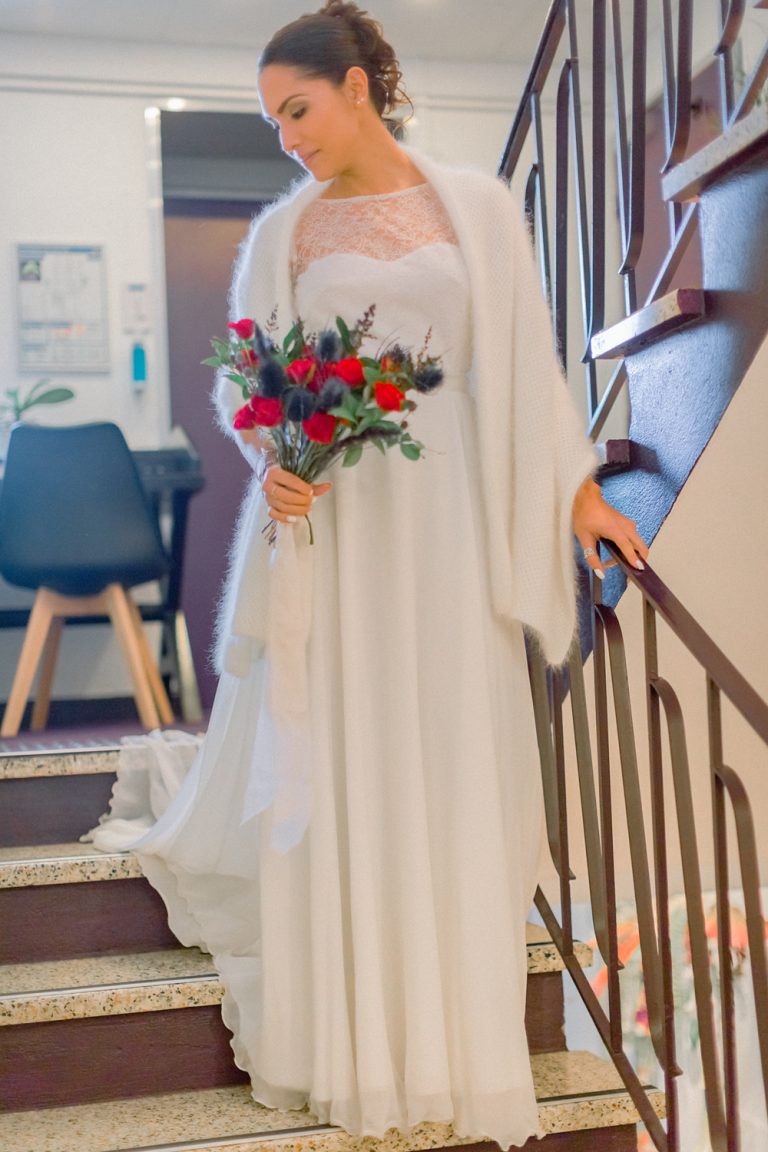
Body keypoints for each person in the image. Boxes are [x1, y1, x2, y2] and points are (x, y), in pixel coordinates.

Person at [133, 2, 648, 1148]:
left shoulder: (476, 209)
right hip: (338, 526)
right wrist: (276, 461)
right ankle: (354, 1033)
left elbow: (523, 373)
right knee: (351, 757)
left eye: (298, 111)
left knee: (447, 744)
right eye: (274, 123)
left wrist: (581, 497)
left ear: (359, 84)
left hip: (448, 522)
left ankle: (446, 1031)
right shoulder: (285, 230)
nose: (289, 139)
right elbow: (246, 387)